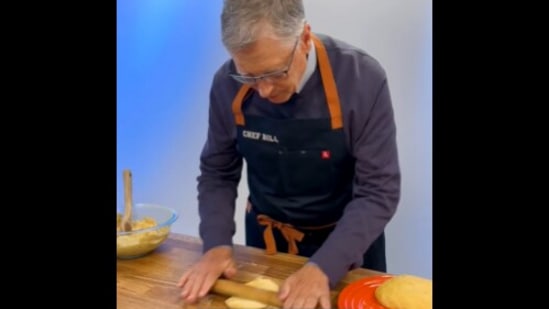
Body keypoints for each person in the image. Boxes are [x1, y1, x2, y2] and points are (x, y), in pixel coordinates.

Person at [177, 0, 401, 308]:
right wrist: (216, 244)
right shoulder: (226, 84)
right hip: (268, 244)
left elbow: (379, 191)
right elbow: (218, 171)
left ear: (305, 38)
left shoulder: (362, 79)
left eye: (275, 73)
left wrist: (325, 266)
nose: (265, 90)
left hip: (347, 246)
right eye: (250, 77)